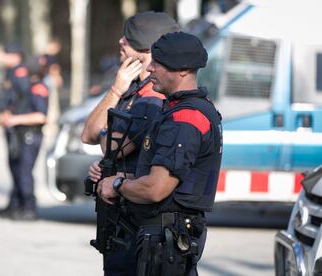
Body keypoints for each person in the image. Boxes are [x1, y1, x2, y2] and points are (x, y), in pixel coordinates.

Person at [97, 32, 223, 275]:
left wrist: (119, 184)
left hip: (164, 245)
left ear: (183, 69)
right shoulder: (180, 108)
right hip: (161, 239)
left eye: (159, 63)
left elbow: (156, 188)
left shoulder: (186, 117)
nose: (151, 67)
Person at [83, 11, 180, 276]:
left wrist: (108, 154)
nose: (121, 41)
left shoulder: (153, 97)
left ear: (147, 48)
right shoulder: (130, 89)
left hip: (136, 219)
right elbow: (89, 135)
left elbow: (111, 147)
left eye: (130, 38)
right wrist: (116, 89)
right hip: (120, 217)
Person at [0, 55, 49, 220]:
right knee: (16, 171)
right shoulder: (27, 87)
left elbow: (41, 116)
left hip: (30, 135)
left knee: (25, 173)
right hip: (19, 135)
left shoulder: (39, 88)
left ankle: (29, 208)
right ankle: (15, 206)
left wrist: (15, 120)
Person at [0, 43, 32, 219]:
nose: (2, 57)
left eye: (5, 53)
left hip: (18, 125)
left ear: (15, 56)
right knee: (13, 165)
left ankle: (25, 205)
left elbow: (22, 99)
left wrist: (9, 112)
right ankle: (13, 204)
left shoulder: (21, 73)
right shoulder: (10, 72)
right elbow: (5, 95)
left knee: (21, 167)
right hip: (9, 125)